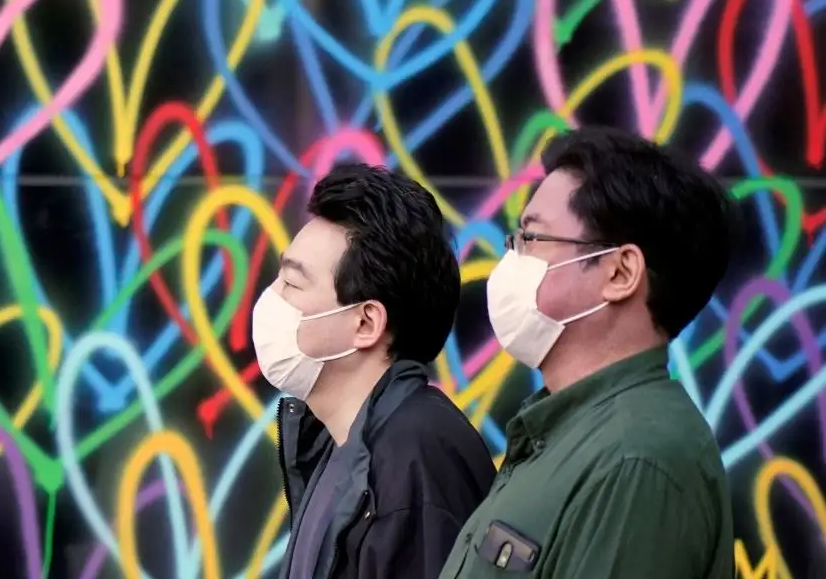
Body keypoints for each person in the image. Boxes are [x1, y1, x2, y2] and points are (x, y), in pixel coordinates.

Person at [439, 127, 736, 578]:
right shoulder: (566, 433)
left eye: (532, 238)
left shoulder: (637, 463)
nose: (512, 258)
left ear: (620, 272)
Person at [255, 163, 495, 579]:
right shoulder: (343, 442)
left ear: (365, 323)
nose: (271, 298)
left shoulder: (418, 458)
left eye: (293, 284)